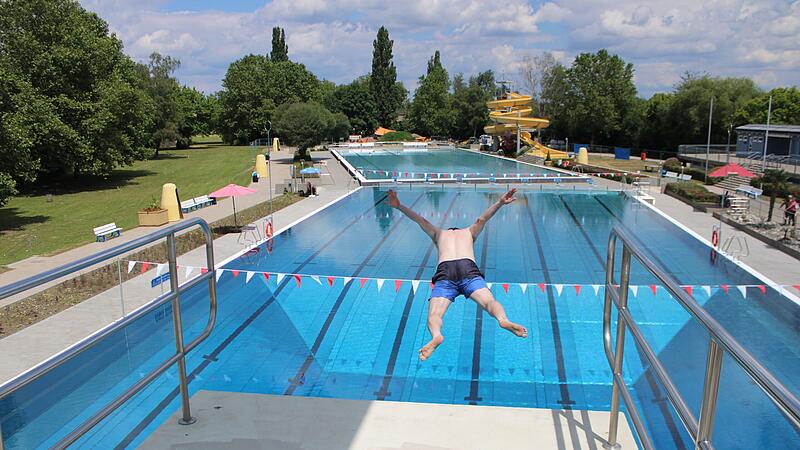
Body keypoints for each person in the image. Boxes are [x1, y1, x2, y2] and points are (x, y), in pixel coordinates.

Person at [387, 188, 528, 361]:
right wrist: (499, 202)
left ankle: (436, 335)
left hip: (445, 273)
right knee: (489, 301)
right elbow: (482, 219)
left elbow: (420, 220)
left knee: (435, 315)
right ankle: (503, 319)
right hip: (468, 269)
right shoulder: (469, 232)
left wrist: (399, 205)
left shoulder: (439, 234)